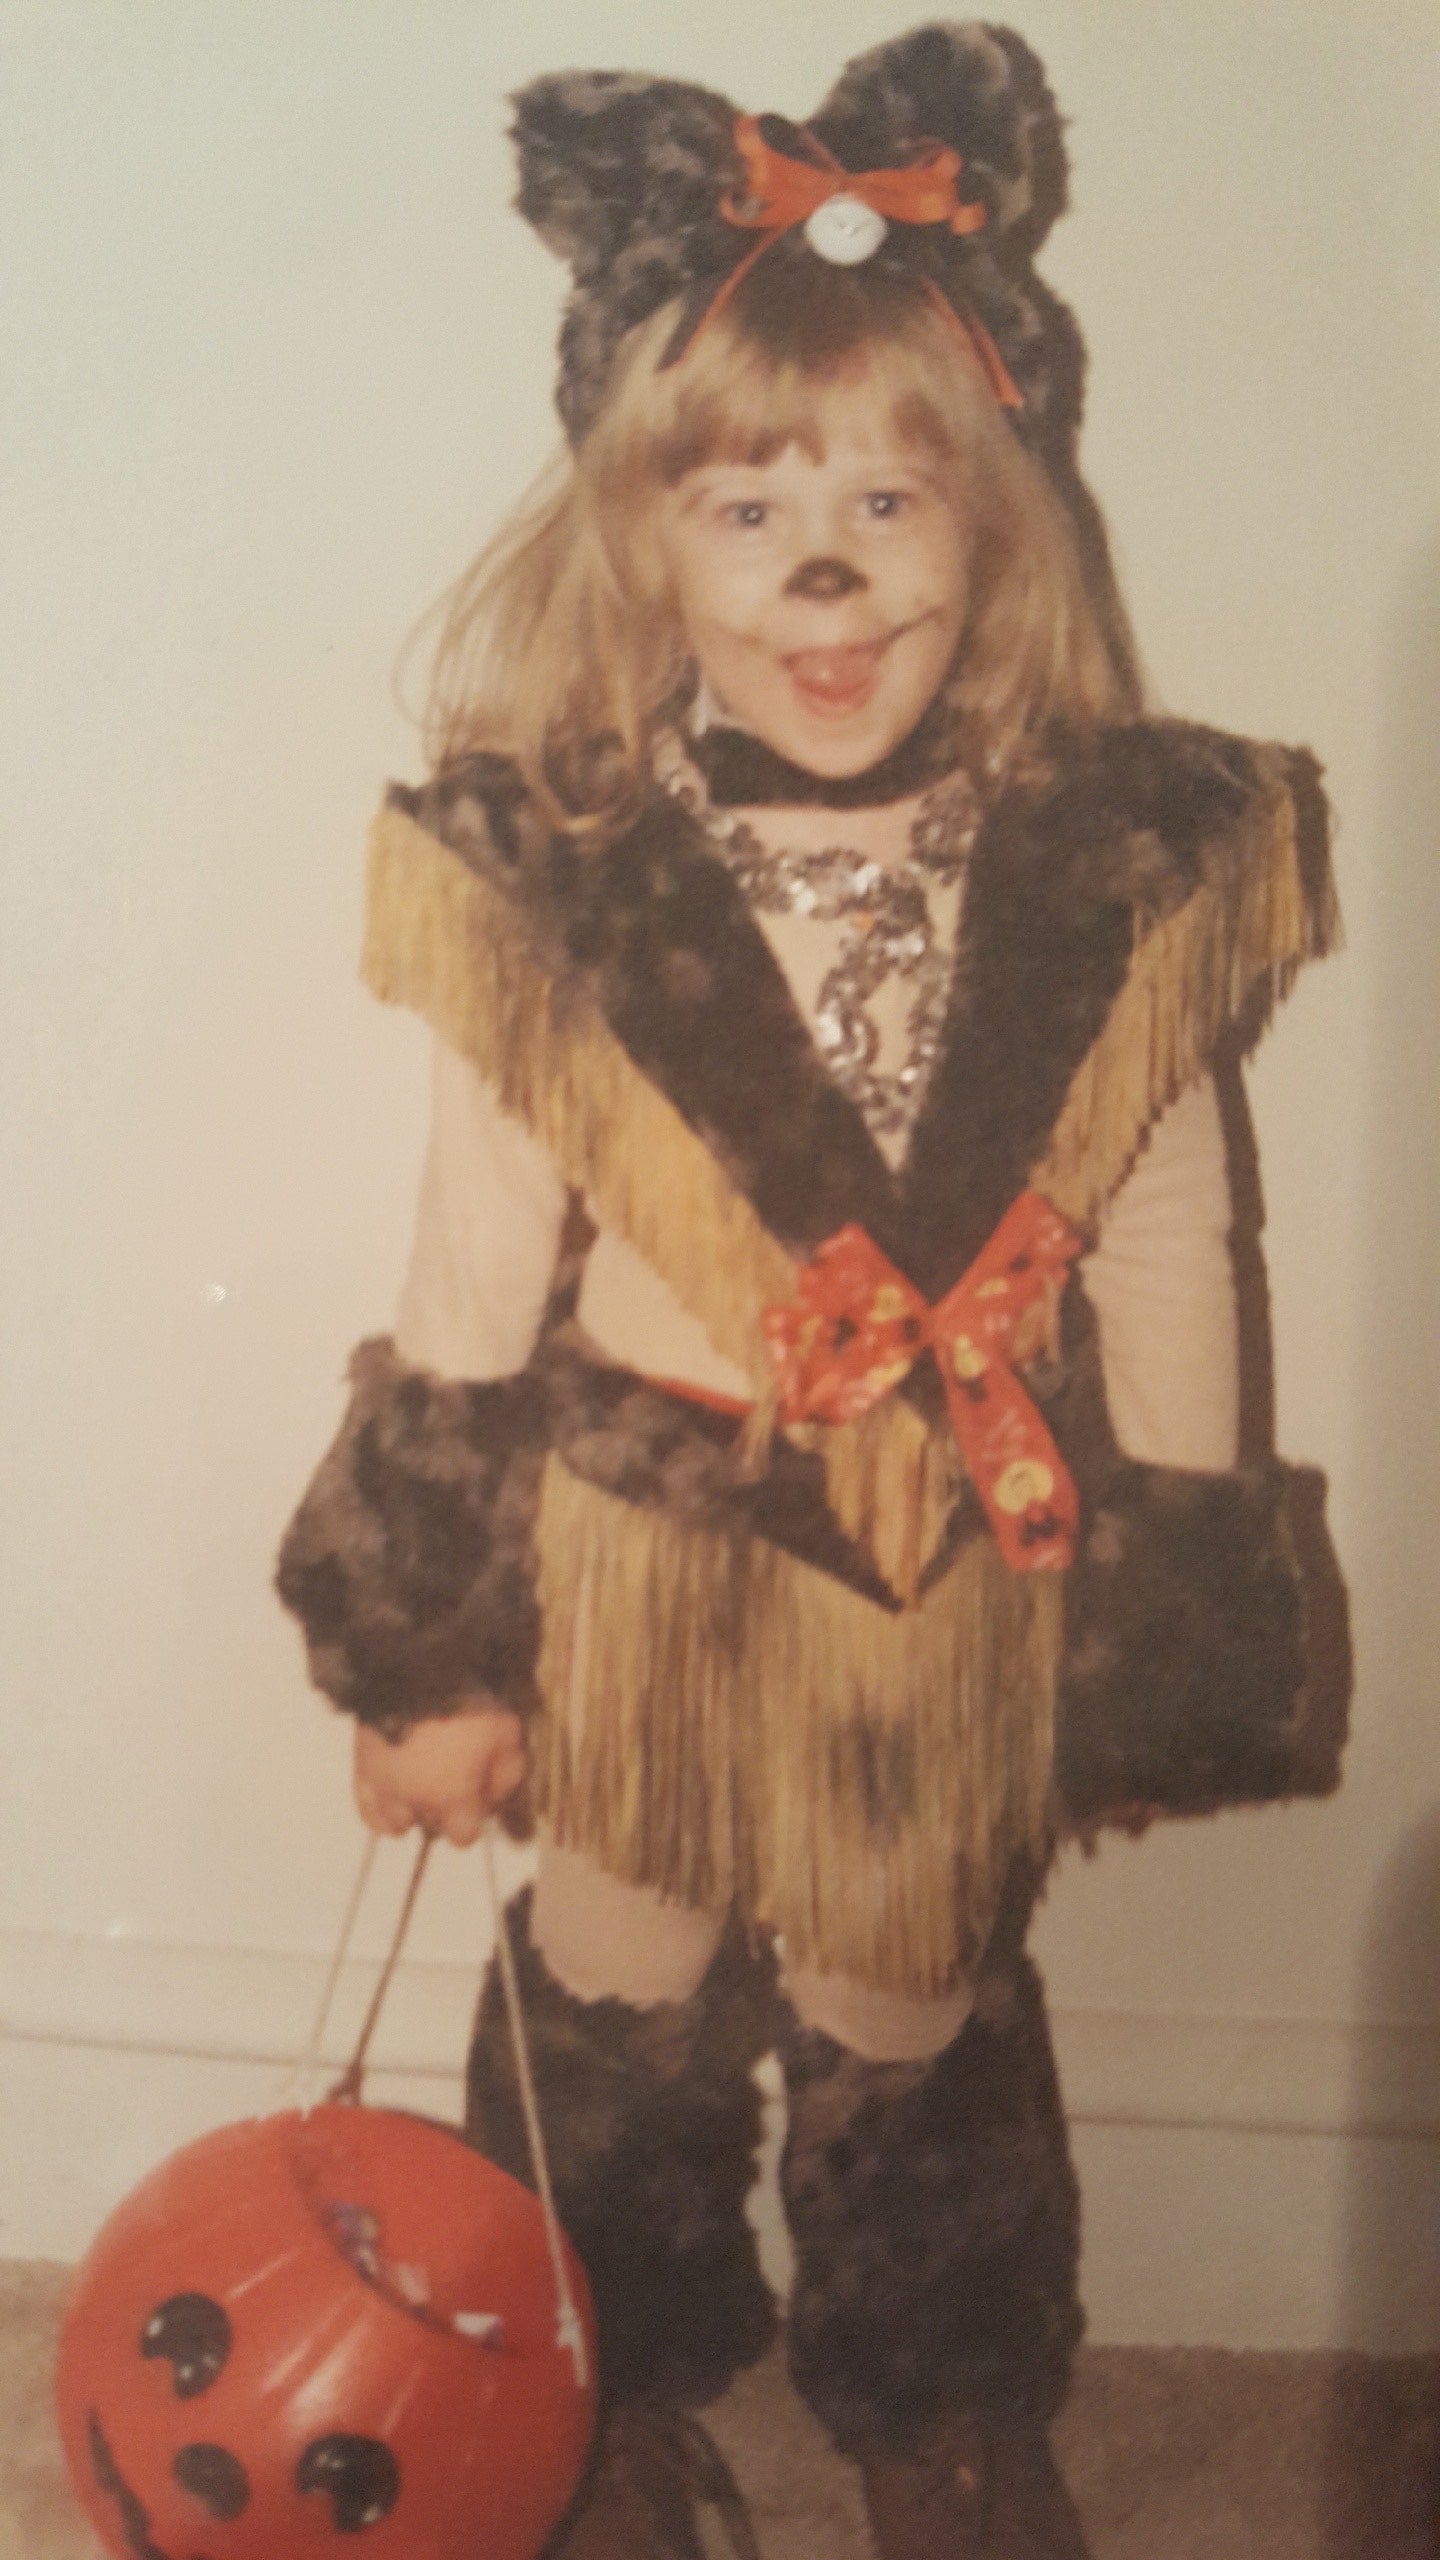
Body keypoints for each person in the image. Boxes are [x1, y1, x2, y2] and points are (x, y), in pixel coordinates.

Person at [278, 27, 1342, 2559]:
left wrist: (1171, 1604)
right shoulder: (571, 870)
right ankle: (607, 2379)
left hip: (948, 1569)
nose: (826, 570)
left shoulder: (1111, 868)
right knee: (620, 1982)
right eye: (749, 507)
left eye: (890, 497)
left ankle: (943, 2398)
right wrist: (431, 1650)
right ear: (639, 541)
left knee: (909, 1991)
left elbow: (1176, 1220)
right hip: (643, 1558)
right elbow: (469, 1271)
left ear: (1001, 525)